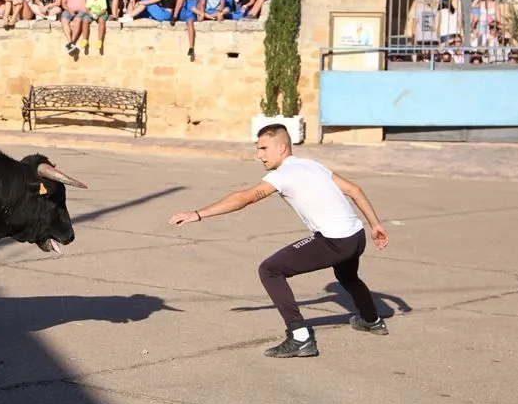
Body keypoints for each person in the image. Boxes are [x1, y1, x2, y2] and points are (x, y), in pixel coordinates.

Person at [167, 123, 390, 359]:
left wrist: (198, 213)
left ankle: (300, 338)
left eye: (264, 148)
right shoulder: (312, 165)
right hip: (356, 236)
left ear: (282, 147)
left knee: (270, 270)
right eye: (258, 149)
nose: (259, 155)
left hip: (335, 241)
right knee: (347, 276)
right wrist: (375, 225)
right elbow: (354, 189)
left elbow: (245, 198)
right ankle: (372, 321)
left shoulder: (282, 175)